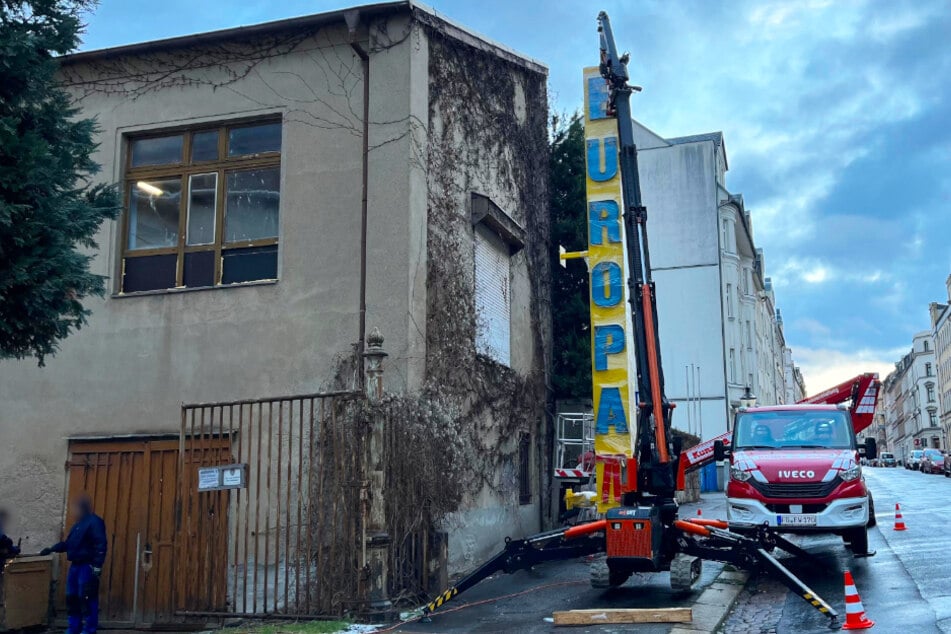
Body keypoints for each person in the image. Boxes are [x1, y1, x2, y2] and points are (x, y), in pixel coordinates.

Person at [40, 495, 107, 634]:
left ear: (82, 507)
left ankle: (89, 629)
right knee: (72, 598)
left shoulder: (94, 522)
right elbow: (69, 544)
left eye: (75, 508)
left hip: (86, 567)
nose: (73, 511)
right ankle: (73, 628)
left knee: (87, 598)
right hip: (75, 567)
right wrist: (52, 548)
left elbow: (100, 544)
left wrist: (97, 567)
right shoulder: (78, 525)